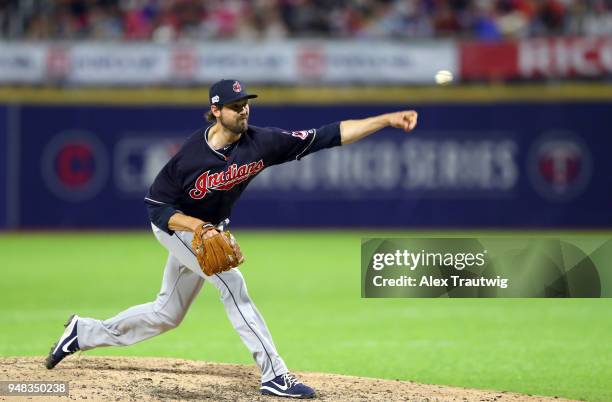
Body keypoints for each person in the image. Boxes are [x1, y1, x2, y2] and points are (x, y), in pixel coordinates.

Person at [45, 79, 418, 398]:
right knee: (231, 281)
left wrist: (385, 119)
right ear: (216, 110)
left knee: (166, 314)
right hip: (176, 228)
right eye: (236, 106)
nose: (244, 112)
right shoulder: (188, 157)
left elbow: (327, 136)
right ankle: (274, 374)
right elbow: (157, 209)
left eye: (246, 105)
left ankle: (83, 332)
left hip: (209, 230)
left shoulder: (262, 143)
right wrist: (198, 227)